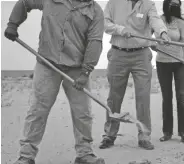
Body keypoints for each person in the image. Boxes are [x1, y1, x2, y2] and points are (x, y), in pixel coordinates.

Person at [4, 0, 105, 163]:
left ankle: (85, 154)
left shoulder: (96, 11)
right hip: (47, 64)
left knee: (82, 113)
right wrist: (13, 24)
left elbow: (95, 42)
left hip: (77, 69)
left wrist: (86, 72)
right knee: (37, 110)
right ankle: (26, 155)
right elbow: (24, 3)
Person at [99, 0, 171, 150]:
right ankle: (110, 135)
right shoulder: (113, 2)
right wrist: (120, 29)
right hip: (118, 53)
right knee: (114, 98)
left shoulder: (148, 4)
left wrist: (163, 33)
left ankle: (144, 136)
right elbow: (103, 23)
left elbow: (155, 20)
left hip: (142, 55)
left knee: (143, 97)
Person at [153, 0, 184, 143]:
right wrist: (153, 44)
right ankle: (167, 132)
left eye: (177, 3)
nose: (174, 6)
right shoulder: (158, 21)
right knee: (166, 98)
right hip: (162, 62)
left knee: (181, 97)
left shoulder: (181, 23)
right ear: (165, 4)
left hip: (180, 63)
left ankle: (183, 132)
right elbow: (148, 36)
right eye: (172, 3)